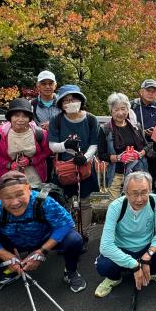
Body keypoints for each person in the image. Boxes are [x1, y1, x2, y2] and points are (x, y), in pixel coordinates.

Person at [0, 170, 86, 295]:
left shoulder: (45, 202)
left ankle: (71, 271)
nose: (15, 202)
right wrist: (6, 256)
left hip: (42, 238)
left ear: (29, 189)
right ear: (0, 196)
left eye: (19, 194)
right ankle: (7, 273)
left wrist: (42, 251)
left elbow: (65, 224)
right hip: (12, 242)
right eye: (8, 197)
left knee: (74, 240)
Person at [94, 171, 156, 298]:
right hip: (122, 249)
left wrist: (148, 255)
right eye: (134, 193)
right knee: (103, 265)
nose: (139, 199)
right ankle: (114, 278)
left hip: (146, 248)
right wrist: (133, 265)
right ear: (126, 193)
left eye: (144, 192)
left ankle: (152, 272)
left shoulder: (155, 201)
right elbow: (106, 246)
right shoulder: (115, 207)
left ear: (150, 190)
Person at [47, 85, 100, 228]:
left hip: (85, 166)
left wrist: (86, 157)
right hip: (64, 168)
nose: (70, 103)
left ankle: (84, 232)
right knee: (64, 201)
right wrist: (65, 145)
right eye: (66, 100)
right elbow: (52, 145)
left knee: (85, 202)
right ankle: (65, 232)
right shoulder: (56, 120)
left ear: (81, 100)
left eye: (73, 99)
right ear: (61, 104)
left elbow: (94, 143)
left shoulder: (90, 119)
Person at [0, 98, 50, 188]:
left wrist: (31, 161)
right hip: (8, 180)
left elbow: (47, 151)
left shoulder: (40, 134)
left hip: (35, 180)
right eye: (16, 116)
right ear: (10, 117)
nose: (20, 119)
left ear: (29, 118)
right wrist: (9, 164)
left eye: (24, 116)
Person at [97, 92, 147, 201]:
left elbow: (146, 147)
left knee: (136, 203)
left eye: (123, 109)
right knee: (116, 206)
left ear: (128, 109)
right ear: (111, 111)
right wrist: (119, 157)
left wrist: (139, 154)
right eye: (116, 110)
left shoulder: (135, 126)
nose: (120, 113)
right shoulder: (105, 129)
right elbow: (101, 155)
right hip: (116, 174)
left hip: (137, 171)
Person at [130, 79, 156, 182]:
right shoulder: (132, 106)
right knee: (133, 175)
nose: (151, 93)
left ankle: (151, 193)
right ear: (141, 91)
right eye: (148, 90)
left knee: (151, 176)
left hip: (152, 147)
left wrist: (155, 132)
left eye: (153, 91)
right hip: (134, 146)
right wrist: (143, 132)